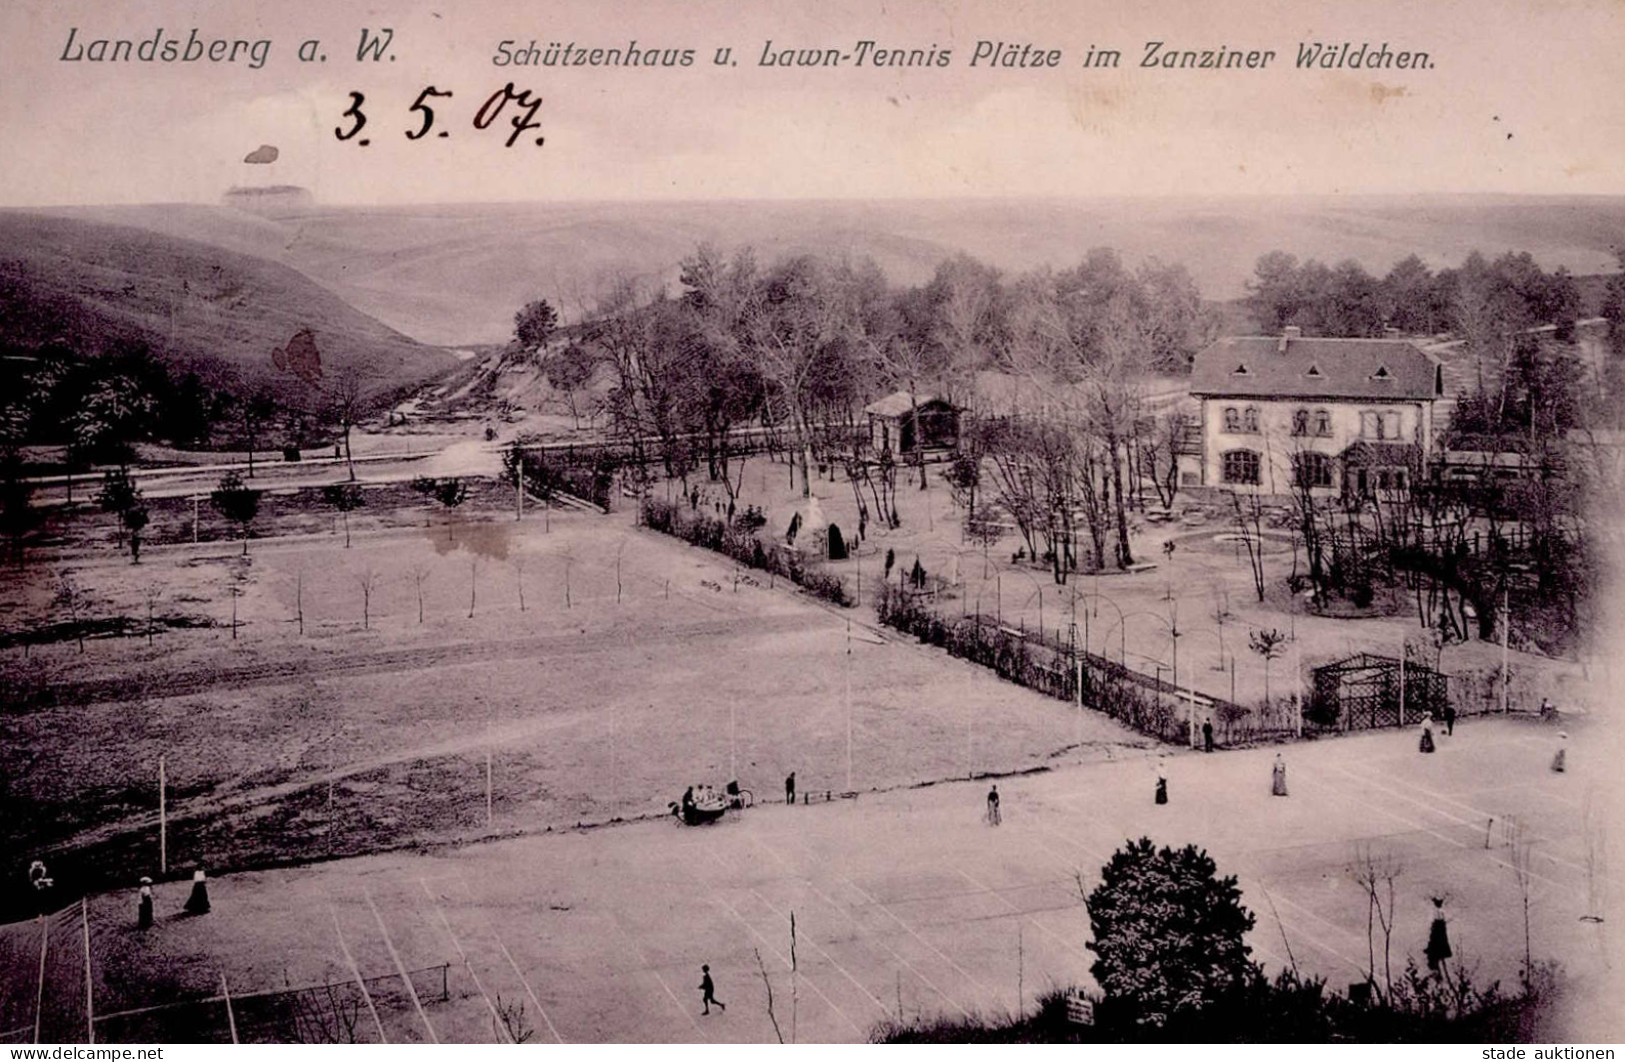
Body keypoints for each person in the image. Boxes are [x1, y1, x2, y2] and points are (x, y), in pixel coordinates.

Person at [1425, 897, 1453, 975]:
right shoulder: (1439, 913)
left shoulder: (1439, 914)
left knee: (1437, 942)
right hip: (1438, 931)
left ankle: (1436, 968)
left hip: (1438, 932)